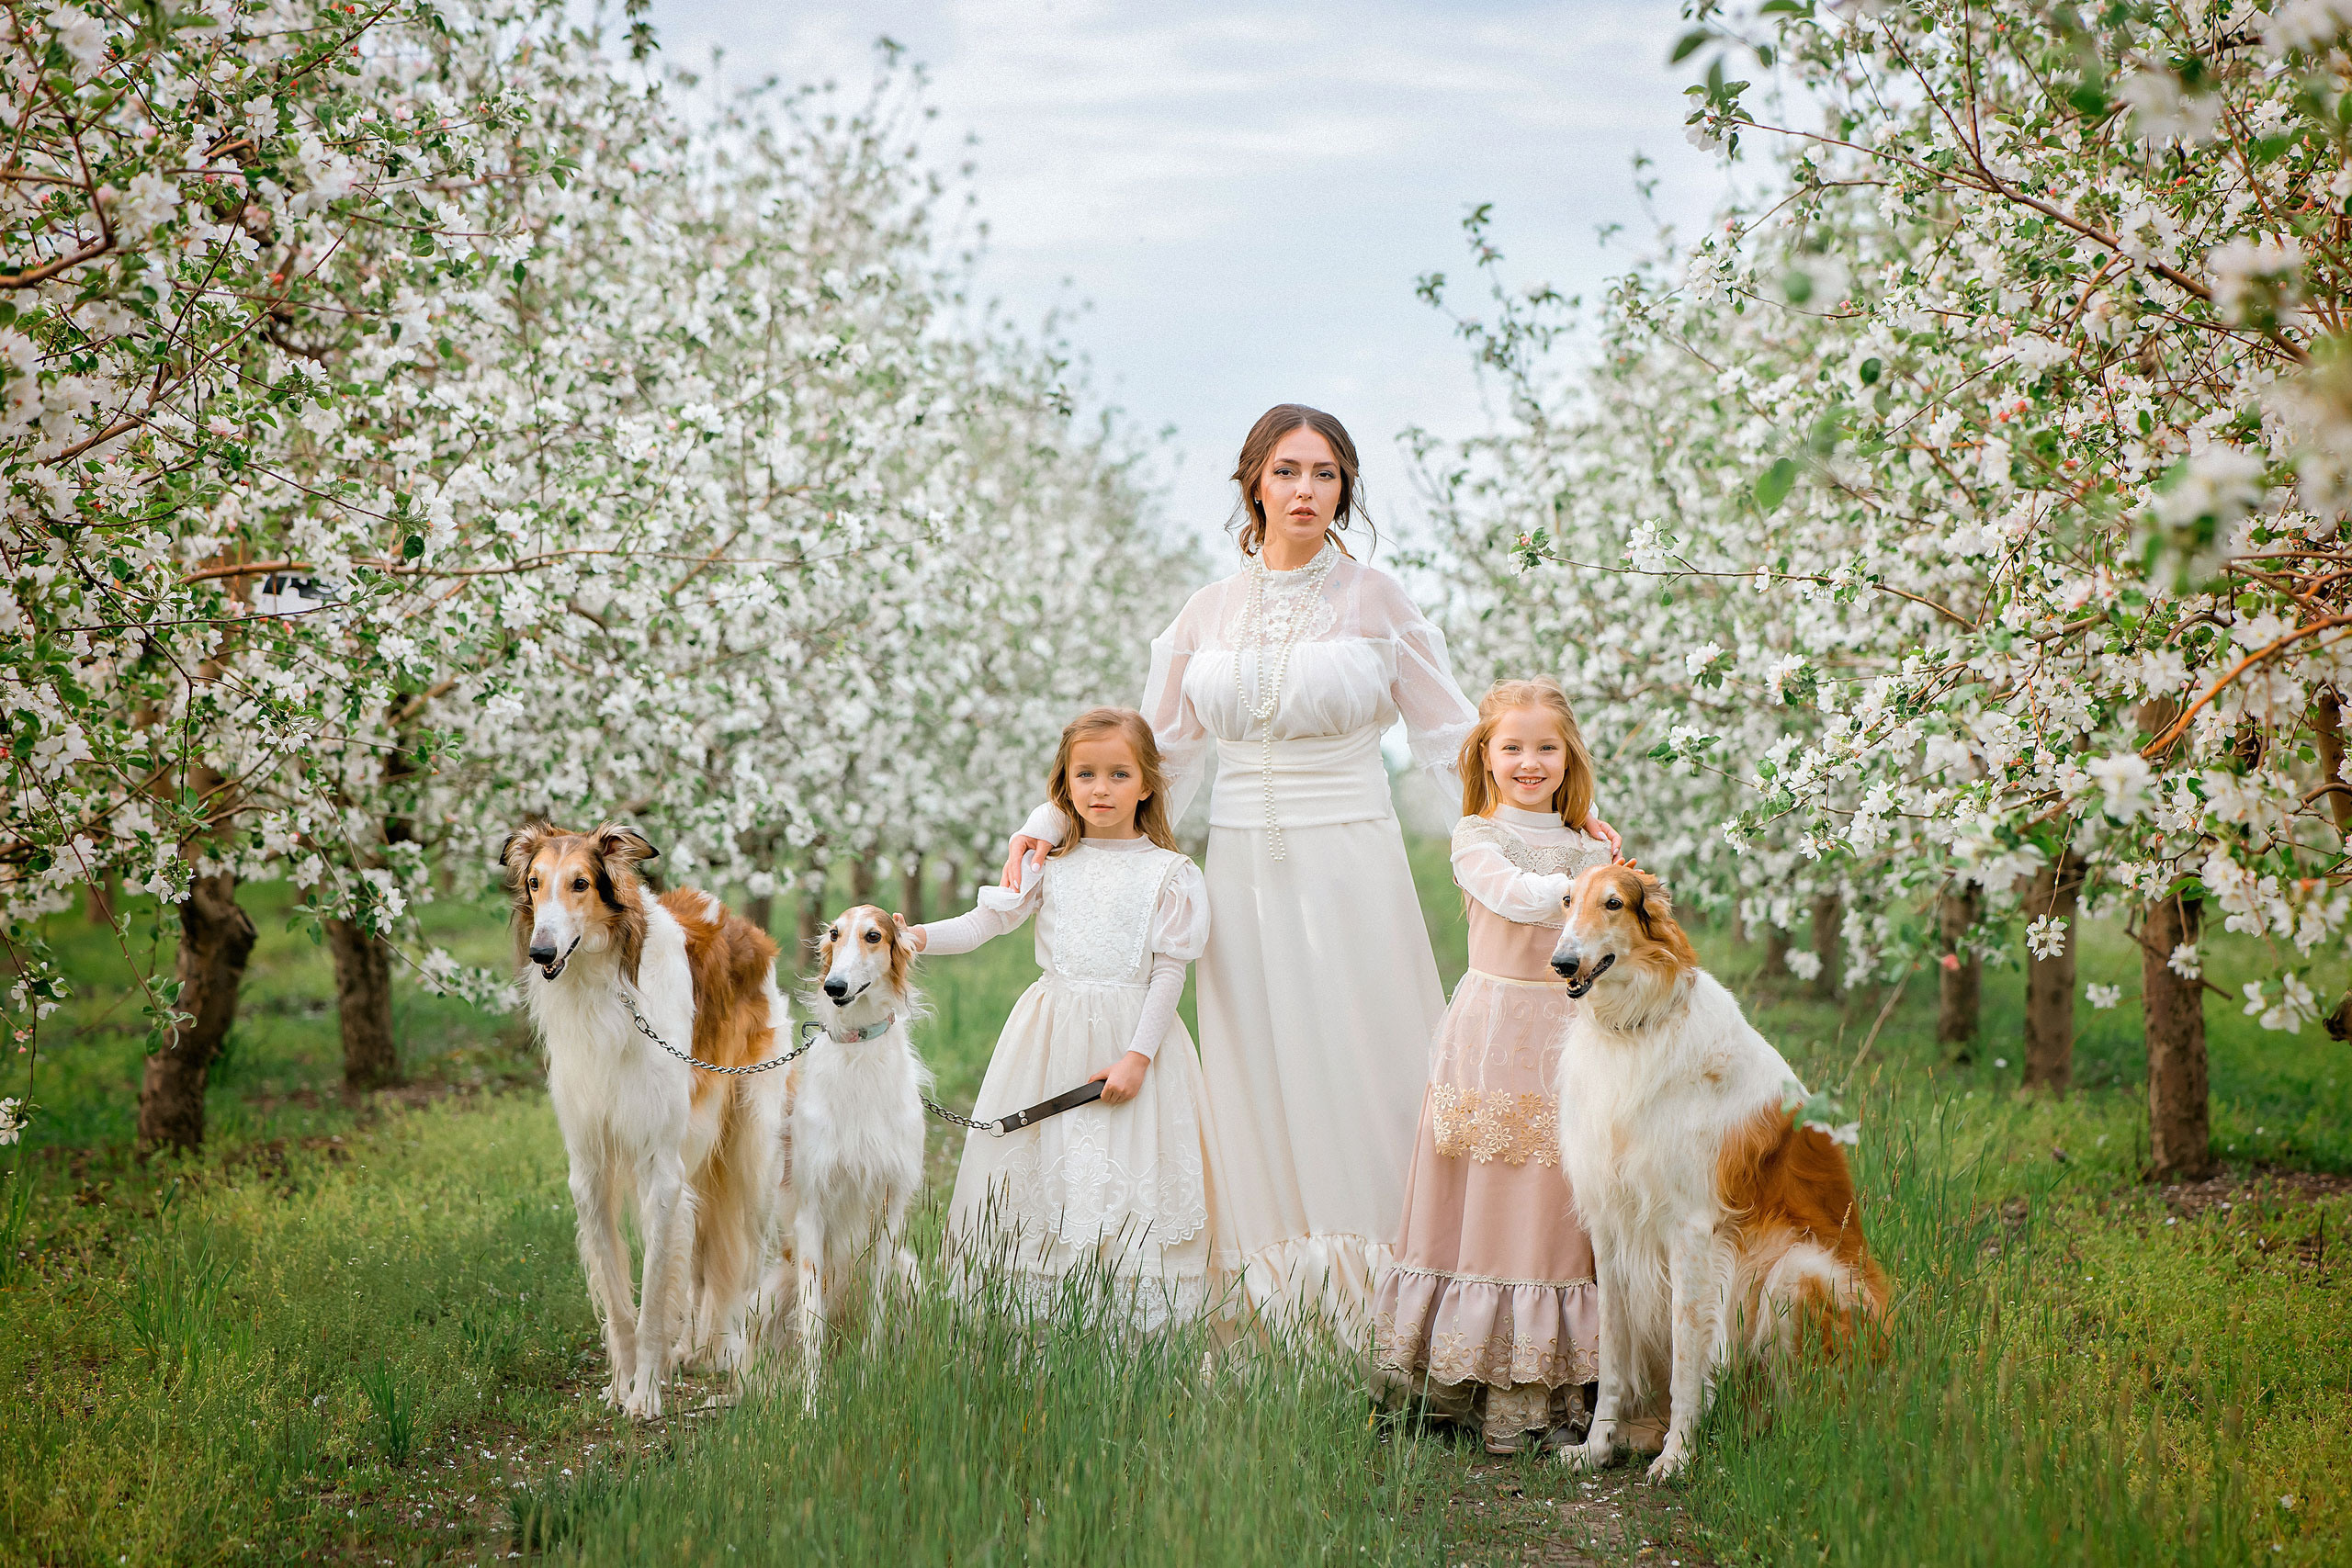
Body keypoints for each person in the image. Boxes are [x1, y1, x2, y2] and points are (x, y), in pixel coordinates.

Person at [1001, 404, 1619, 1332]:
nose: (1305, 490)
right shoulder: (1203, 613)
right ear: (1254, 481)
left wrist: (1559, 812)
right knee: (1261, 1063)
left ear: (1345, 489)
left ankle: (1406, 1291)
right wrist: (1051, 819)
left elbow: (1456, 733)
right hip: (1241, 866)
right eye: (1287, 471)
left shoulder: (1378, 600)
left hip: (1353, 860)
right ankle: (1280, 1301)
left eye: (1325, 474)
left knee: (1372, 1055)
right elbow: (1154, 753)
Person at [1371, 677, 1615, 1453]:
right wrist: (1583, 883)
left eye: (1546, 747)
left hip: (1573, 1034)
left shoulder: (1592, 843)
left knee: (1552, 1202)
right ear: (1485, 755)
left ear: (1568, 755)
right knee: (1479, 1197)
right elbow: (1513, 896)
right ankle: (1453, 1384)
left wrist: (1602, 867)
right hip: (1495, 1031)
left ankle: (1543, 1388)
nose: (1529, 762)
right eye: (1512, 747)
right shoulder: (1475, 835)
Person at [911, 707, 1213, 1325]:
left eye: (1118, 774)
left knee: (1127, 1168)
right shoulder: (1050, 863)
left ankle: (1126, 1331)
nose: (1101, 789)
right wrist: (912, 934)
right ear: (1066, 783)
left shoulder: (1170, 873)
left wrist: (1138, 1055)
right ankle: (1037, 1330)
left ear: (1148, 782)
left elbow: (1168, 972)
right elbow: (982, 923)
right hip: (1050, 1038)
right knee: (1046, 1172)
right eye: (1086, 775)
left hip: (1131, 1039)